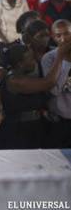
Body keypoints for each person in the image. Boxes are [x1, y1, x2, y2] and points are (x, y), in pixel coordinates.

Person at [0, 41, 69, 149]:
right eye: (30, 59)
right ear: (20, 63)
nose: (34, 61)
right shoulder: (14, 81)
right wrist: (60, 57)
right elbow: (48, 83)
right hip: (18, 132)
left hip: (32, 128)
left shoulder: (24, 76)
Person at [41, 20, 71, 148]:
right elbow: (54, 90)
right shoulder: (49, 58)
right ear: (53, 37)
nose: (63, 39)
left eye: (67, 34)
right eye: (58, 35)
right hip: (58, 119)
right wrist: (63, 58)